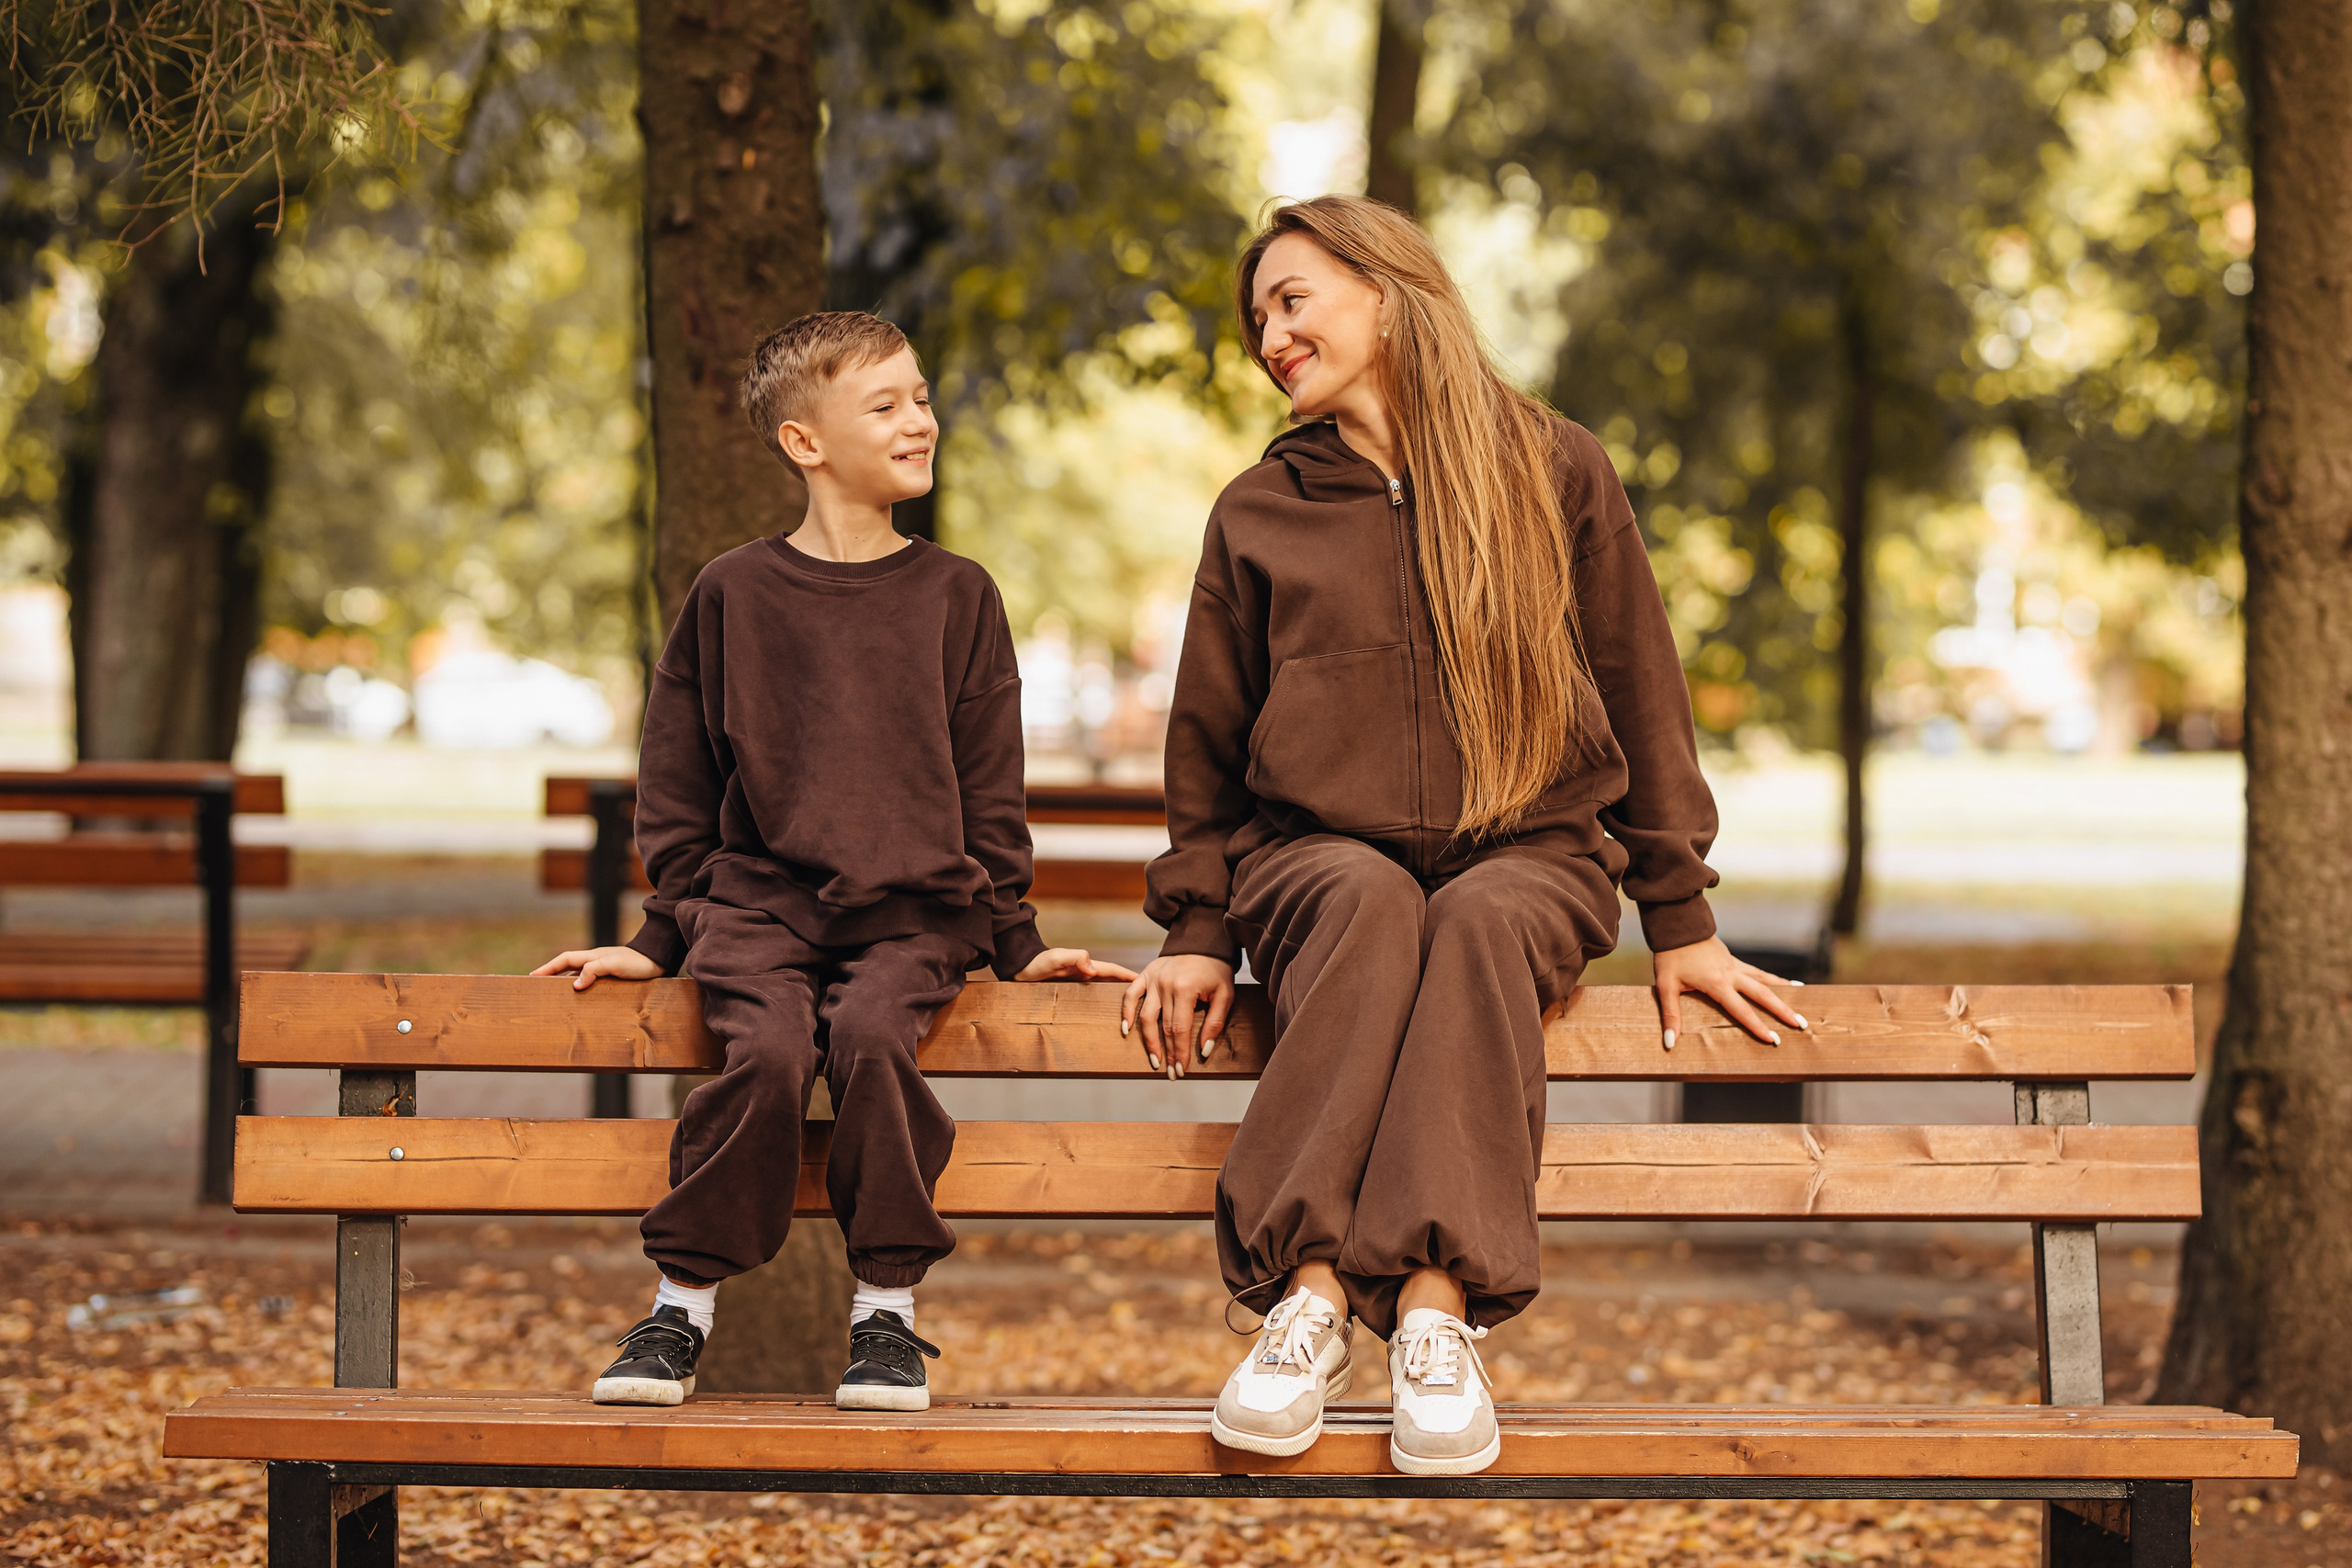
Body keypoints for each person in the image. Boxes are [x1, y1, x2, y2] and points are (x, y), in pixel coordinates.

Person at [1118, 197, 1806, 1477]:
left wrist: (1682, 916)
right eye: (1258, 314)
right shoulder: (1261, 508)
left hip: (1531, 848)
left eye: (1293, 298)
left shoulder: (1555, 467)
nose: (1270, 333)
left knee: (1481, 918)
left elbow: (1640, 688)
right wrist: (1202, 927)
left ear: (1387, 290)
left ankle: (1435, 1314)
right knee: (1369, 902)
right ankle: (1308, 1300)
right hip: (1313, 854)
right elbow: (1207, 738)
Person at [536, 311, 1133, 1413]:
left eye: (920, 395)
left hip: (915, 919)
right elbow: (678, 788)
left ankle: (886, 1318)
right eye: (887, 404)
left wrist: (1018, 944)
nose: (920, 420)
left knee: (869, 1042)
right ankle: (679, 1309)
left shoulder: (959, 597)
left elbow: (990, 795)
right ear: (805, 443)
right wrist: (655, 939)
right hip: (758, 913)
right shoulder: (731, 594)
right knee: (761, 1055)